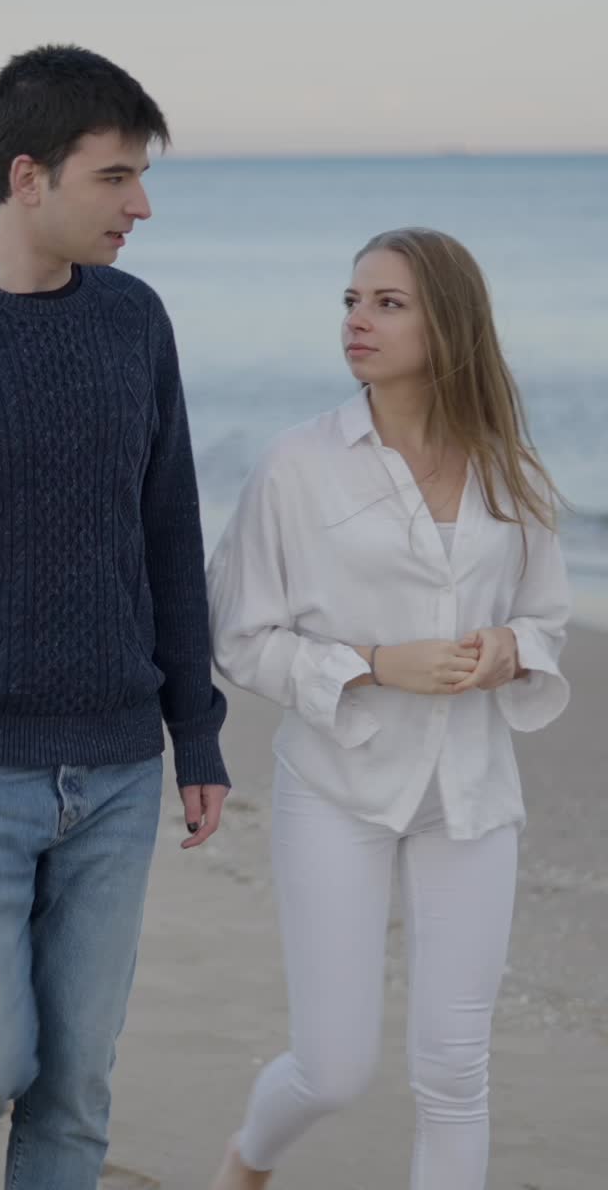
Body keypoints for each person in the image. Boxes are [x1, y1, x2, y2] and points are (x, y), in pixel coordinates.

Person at [0, 44, 230, 1190]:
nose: (141, 204)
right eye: (117, 177)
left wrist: (200, 728)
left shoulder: (135, 321)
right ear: (27, 176)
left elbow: (168, 530)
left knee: (75, 1089)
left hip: (119, 769)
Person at [207, 227, 570, 1190]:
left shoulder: (509, 467)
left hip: (472, 791)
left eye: (387, 303)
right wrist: (372, 664)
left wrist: (508, 650)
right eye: (351, 301)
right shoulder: (297, 465)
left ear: (447, 326)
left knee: (455, 1070)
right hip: (336, 786)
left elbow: (546, 623)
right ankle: (250, 1156)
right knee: (335, 1068)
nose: (357, 322)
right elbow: (240, 637)